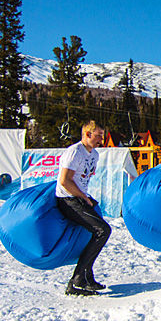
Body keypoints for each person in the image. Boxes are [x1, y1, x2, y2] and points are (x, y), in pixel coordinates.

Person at [55, 121, 112, 296]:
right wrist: (83, 197)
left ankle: (87, 277)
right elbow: (65, 181)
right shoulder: (74, 152)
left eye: (102, 135)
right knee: (102, 231)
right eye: (98, 135)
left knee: (94, 233)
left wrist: (87, 198)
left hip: (79, 198)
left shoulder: (94, 154)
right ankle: (76, 281)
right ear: (87, 134)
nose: (101, 139)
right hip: (68, 200)